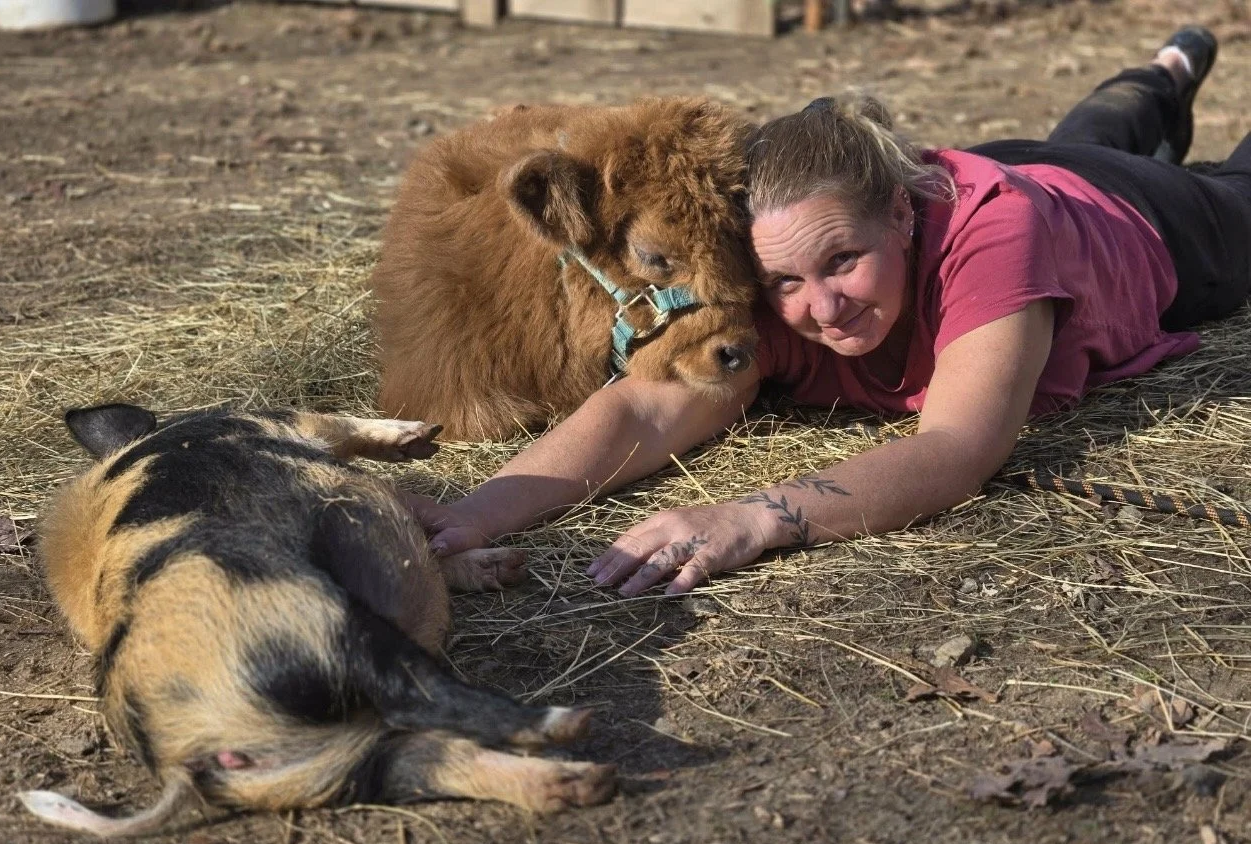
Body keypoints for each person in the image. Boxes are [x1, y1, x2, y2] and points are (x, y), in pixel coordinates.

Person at [414, 26, 1247, 597]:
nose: (820, 307)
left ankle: (1162, 82)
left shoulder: (996, 233)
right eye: (785, 282)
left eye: (841, 262)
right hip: (1023, 163)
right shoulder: (770, 260)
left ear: (900, 211)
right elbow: (646, 402)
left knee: (1215, 185)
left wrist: (751, 517)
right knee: (1085, 131)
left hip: (1137, 219)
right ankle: (1163, 75)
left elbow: (958, 449)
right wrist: (472, 516)